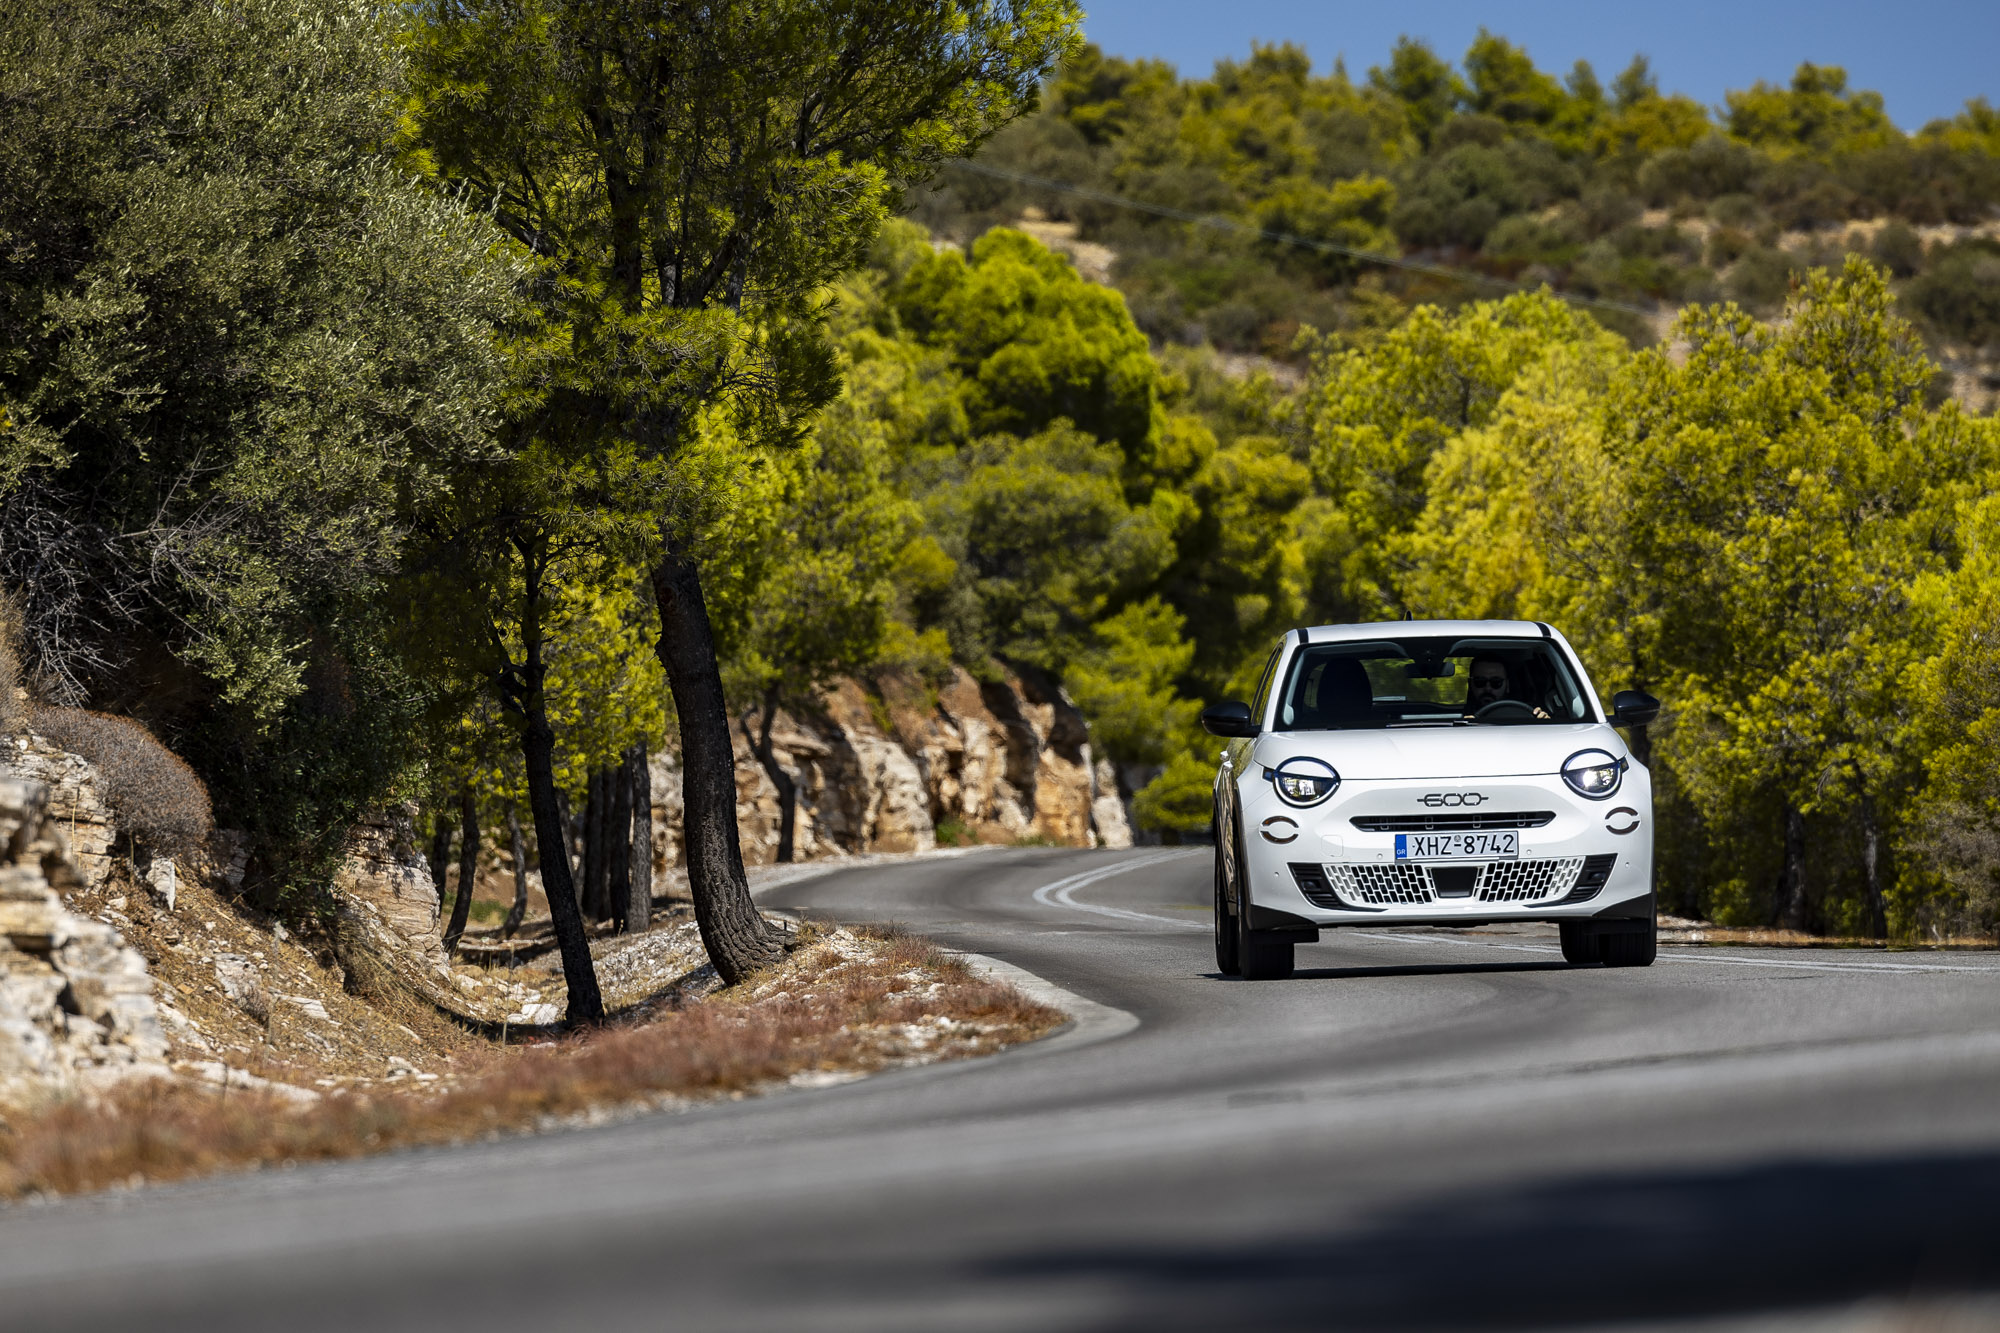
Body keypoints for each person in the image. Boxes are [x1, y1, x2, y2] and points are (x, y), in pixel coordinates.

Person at [1465, 657, 1548, 718]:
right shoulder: (1455, 721)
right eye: (1480, 682)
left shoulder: (1530, 714)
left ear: (1507, 685)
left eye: (1496, 682)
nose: (1488, 688)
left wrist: (1544, 724)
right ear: (1470, 684)